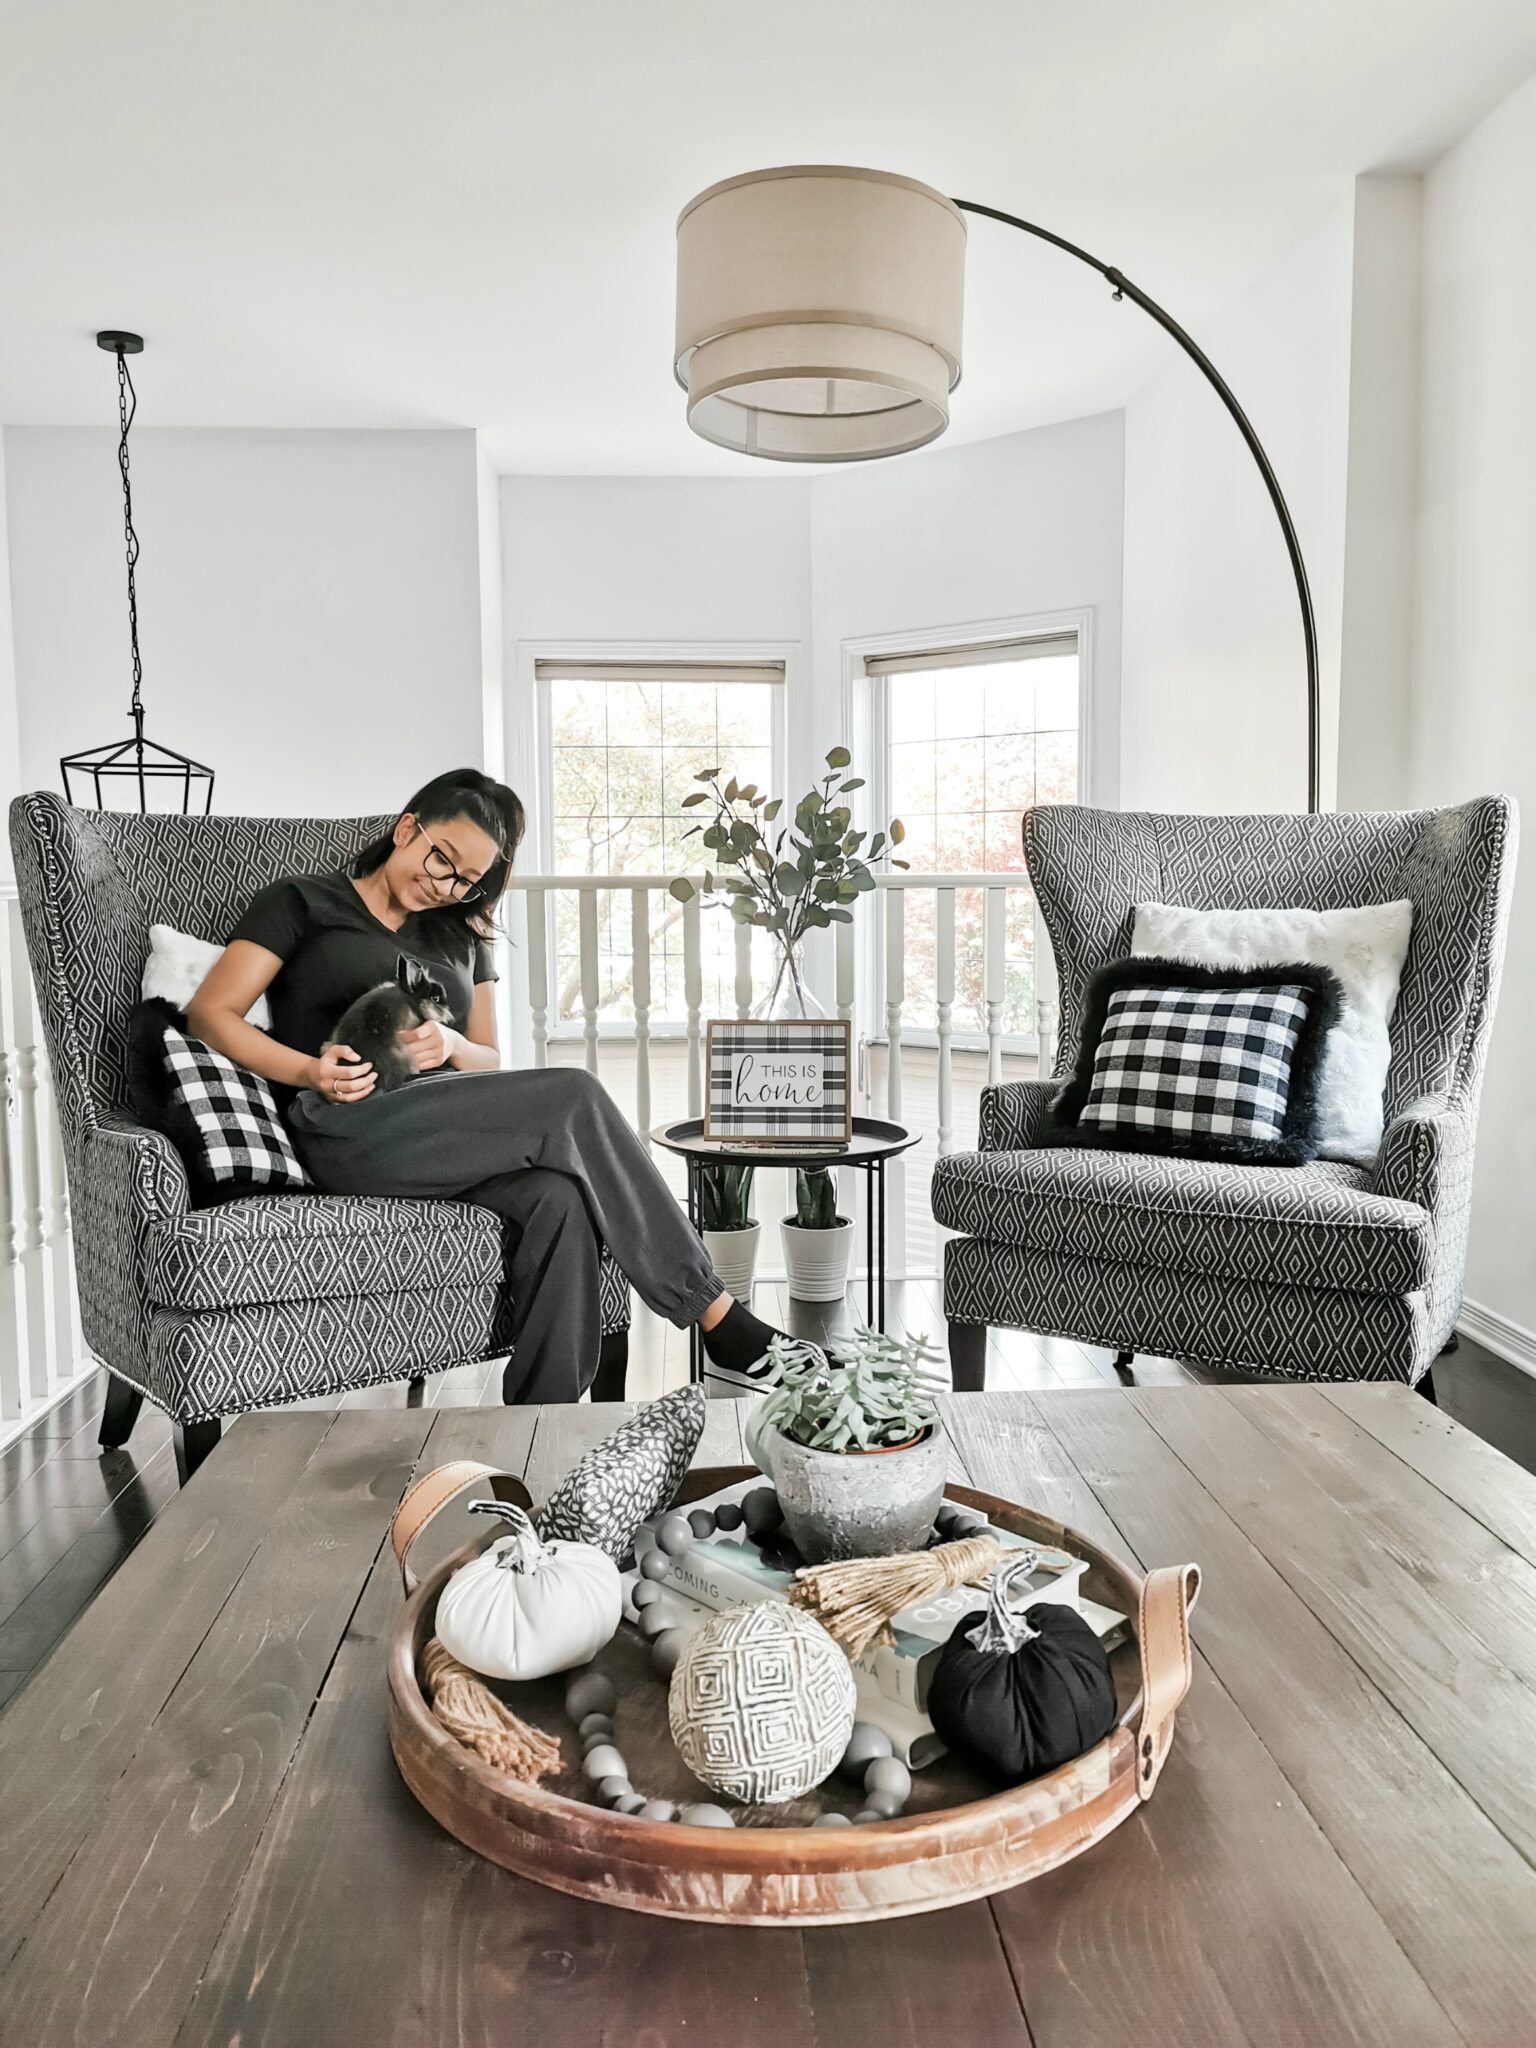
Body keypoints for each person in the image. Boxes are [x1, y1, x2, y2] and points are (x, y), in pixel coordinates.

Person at [187, 766, 798, 1404]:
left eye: (466, 880)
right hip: (344, 1126)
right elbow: (210, 1013)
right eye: (441, 859)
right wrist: (309, 1069)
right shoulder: (302, 903)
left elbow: (489, 1059)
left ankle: (541, 1427)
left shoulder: (464, 933)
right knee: (574, 1092)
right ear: (406, 830)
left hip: (443, 1124)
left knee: (558, 1199)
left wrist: (451, 1044)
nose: (445, 884)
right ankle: (720, 1319)